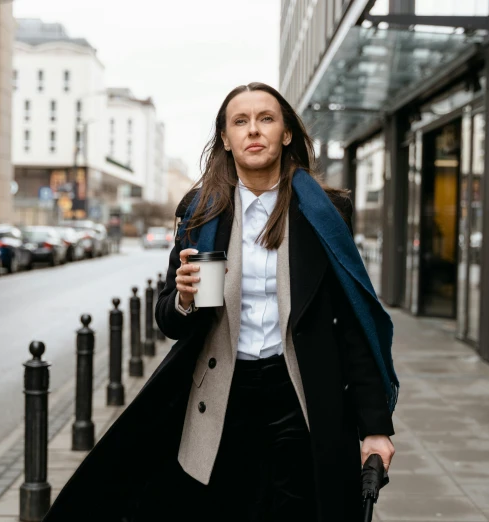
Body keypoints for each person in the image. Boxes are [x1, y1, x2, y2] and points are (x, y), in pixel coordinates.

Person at [43, 83, 399, 522]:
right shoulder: (201, 211)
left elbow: (352, 324)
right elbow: (169, 320)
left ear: (286, 133)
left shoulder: (325, 212)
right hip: (222, 397)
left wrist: (375, 427)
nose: (254, 130)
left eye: (266, 119)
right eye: (241, 121)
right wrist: (186, 299)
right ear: (226, 140)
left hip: (303, 396)